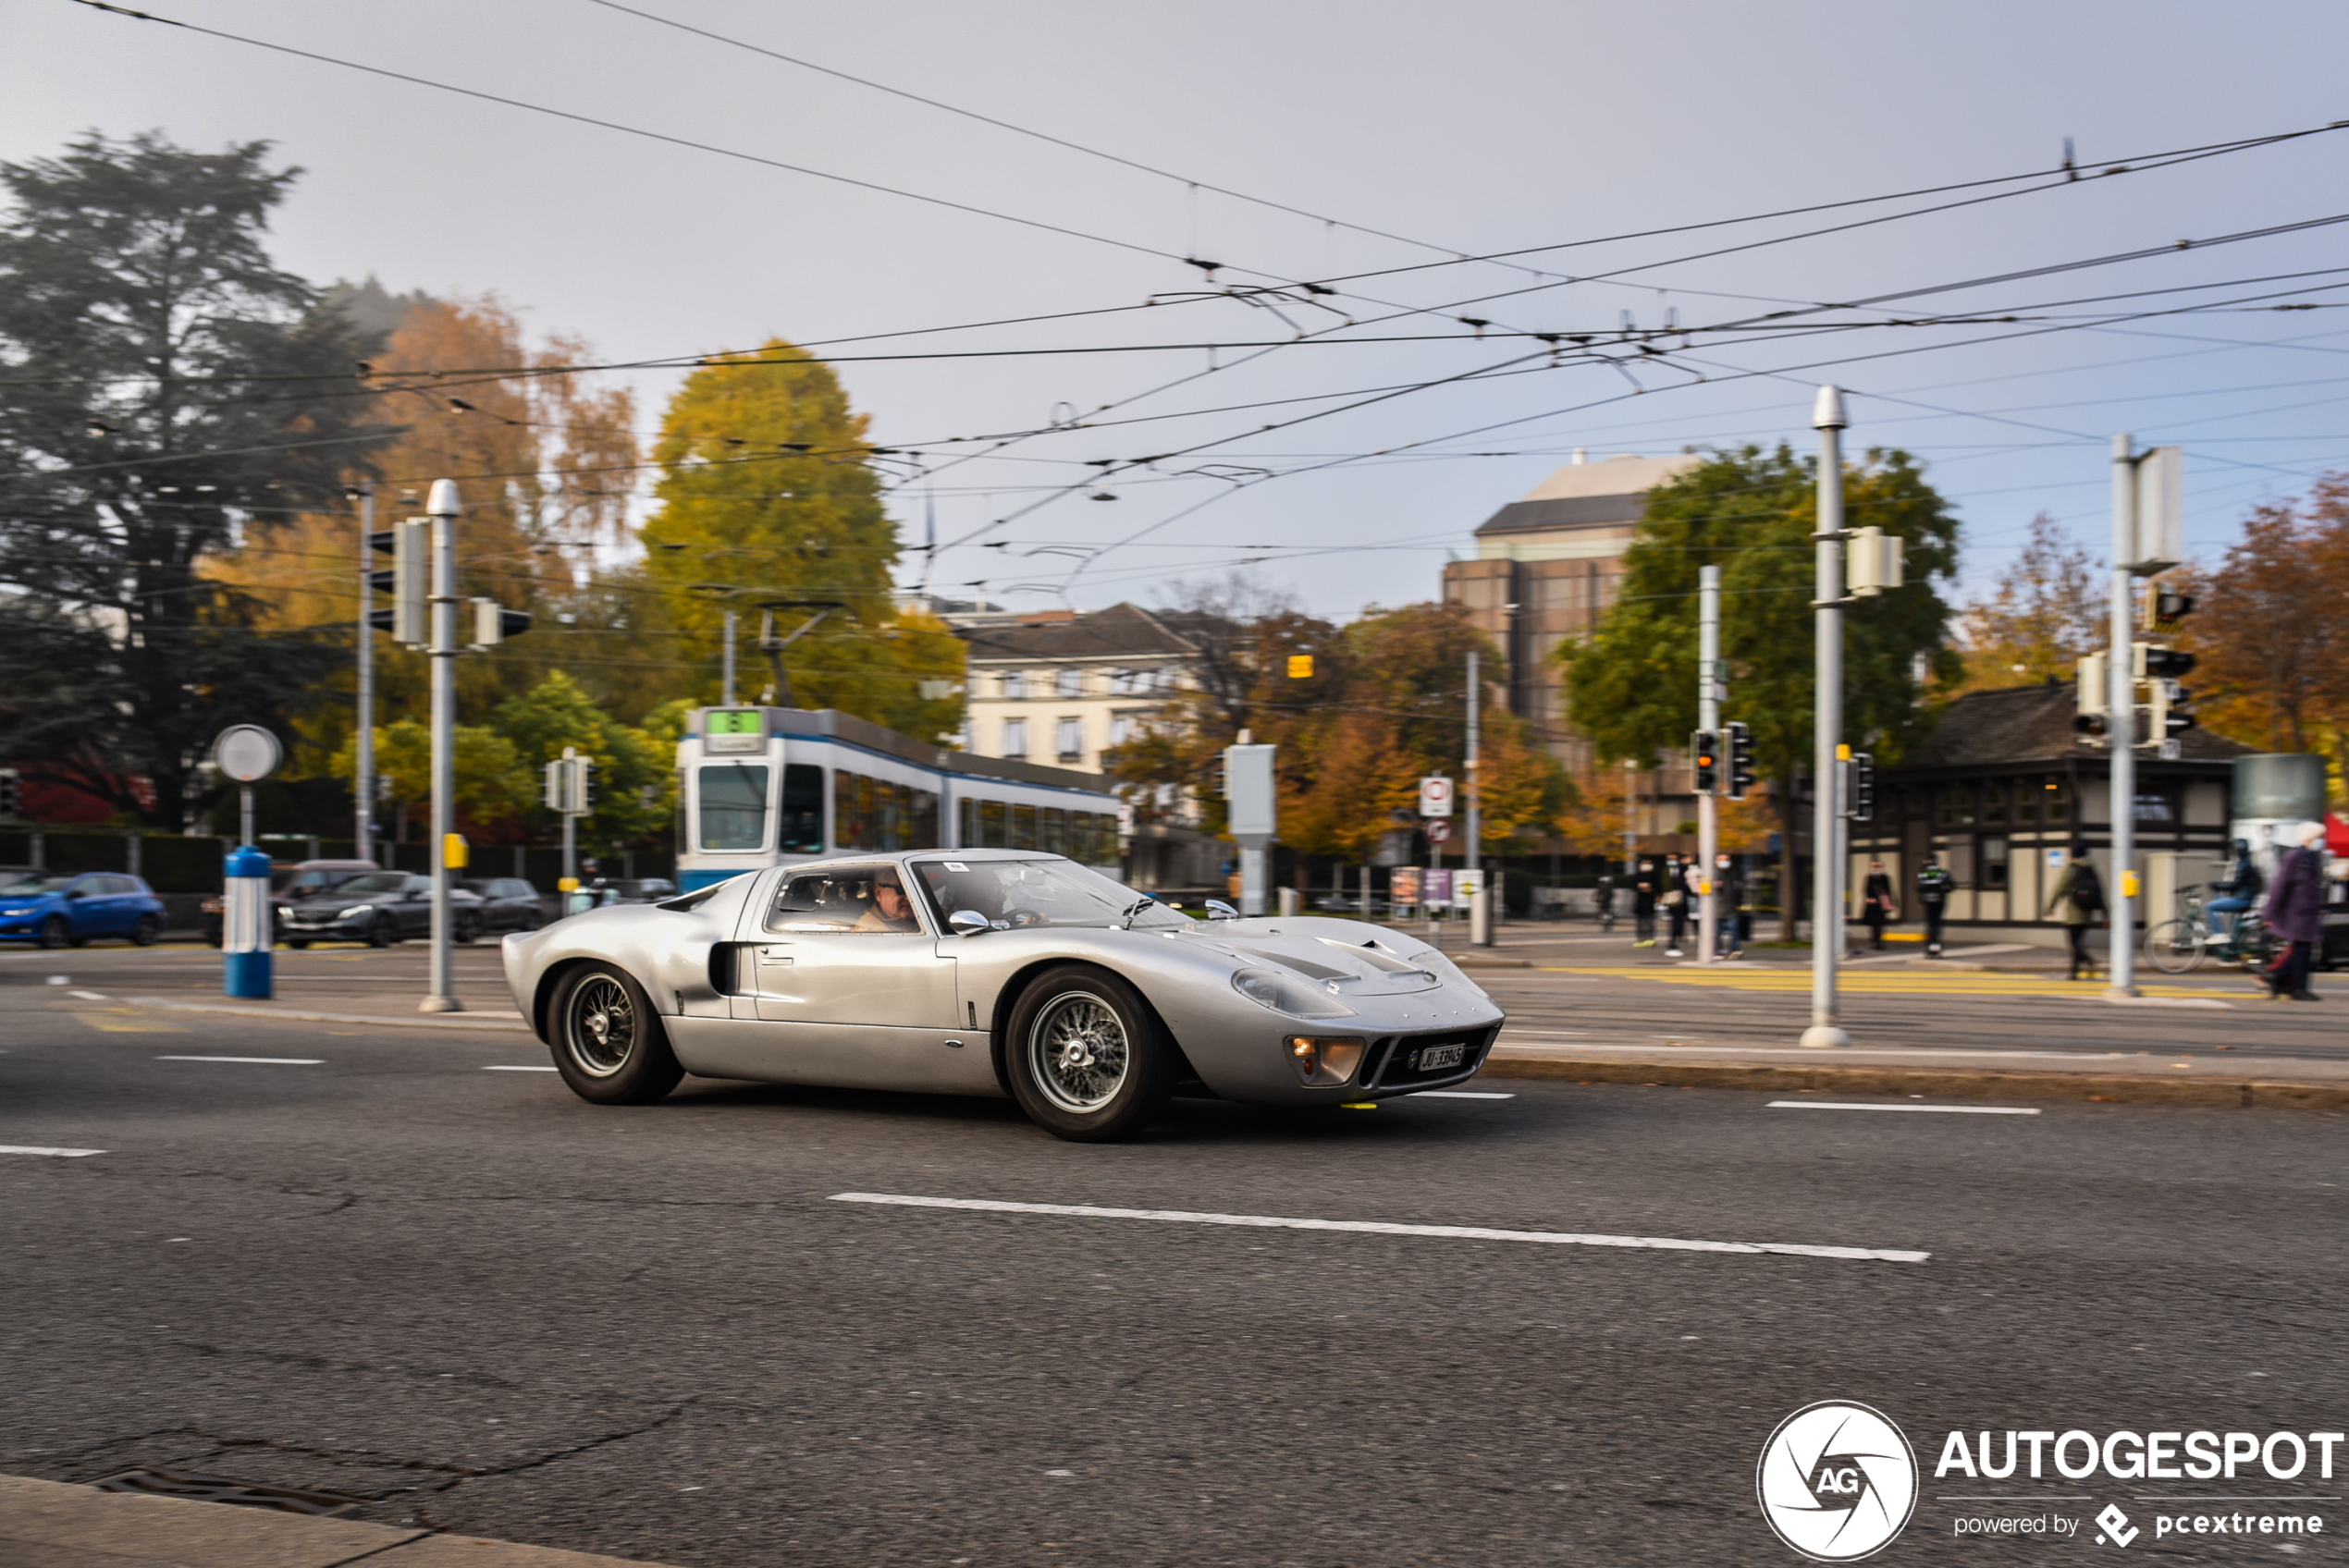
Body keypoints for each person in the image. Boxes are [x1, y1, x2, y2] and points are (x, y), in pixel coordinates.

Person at [2259, 823, 2326, 1002]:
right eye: (2319, 837)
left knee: (2301, 950)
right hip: (2295, 913)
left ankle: (2277, 977)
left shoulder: (2312, 858)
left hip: (2308, 913)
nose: (2322, 841)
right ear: (2308, 839)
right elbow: (2279, 886)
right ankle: (2297, 987)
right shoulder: (2294, 857)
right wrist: (2269, 913)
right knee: (2303, 950)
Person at [2044, 845, 2104, 982]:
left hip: (2073, 912)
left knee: (2074, 944)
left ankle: (2088, 961)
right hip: (2088, 912)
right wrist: (2105, 911)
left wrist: (2049, 908)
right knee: (2078, 943)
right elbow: (2101, 891)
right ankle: (2074, 973)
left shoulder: (2071, 869)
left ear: (2073, 856)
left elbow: (2058, 888)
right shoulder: (2091, 869)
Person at [2207, 838, 2262, 942]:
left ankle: (2218, 934)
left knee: (2209, 907)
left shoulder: (2243, 864)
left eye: (2234, 850)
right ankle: (2230, 941)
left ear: (2239, 850)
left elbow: (2234, 884)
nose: (2232, 852)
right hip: (2245, 897)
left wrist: (2216, 885)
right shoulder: (2246, 862)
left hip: (2242, 899)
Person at [854, 870, 921, 933]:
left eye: (915, 891)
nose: (909, 897)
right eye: (902, 890)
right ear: (879, 893)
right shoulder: (871, 933)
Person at [1915, 853, 1954, 957]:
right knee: (1937, 922)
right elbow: (1951, 886)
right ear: (1937, 861)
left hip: (1927, 901)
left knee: (1930, 923)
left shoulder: (1923, 873)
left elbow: (1919, 887)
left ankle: (1930, 947)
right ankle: (1937, 947)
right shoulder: (1943, 873)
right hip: (1940, 900)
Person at [1860, 859, 1899, 951]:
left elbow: (1888, 890)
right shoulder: (1869, 878)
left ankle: (1879, 942)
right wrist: (1870, 898)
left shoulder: (1885, 878)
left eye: (1878, 866)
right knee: (1872, 924)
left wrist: (1889, 903)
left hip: (1881, 904)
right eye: (1874, 866)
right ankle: (1874, 940)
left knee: (1879, 924)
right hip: (1872, 903)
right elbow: (1866, 890)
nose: (1876, 868)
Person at [1712, 851, 1744, 958]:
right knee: (1717, 932)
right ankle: (1718, 950)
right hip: (1716, 907)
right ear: (1716, 861)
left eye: (1727, 860)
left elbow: (1737, 888)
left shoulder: (1732, 873)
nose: (1725, 862)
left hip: (1731, 907)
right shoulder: (1712, 873)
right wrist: (1713, 885)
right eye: (1722, 859)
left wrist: (1739, 901)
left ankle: (1733, 950)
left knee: (1734, 930)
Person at [1663, 851, 1690, 956]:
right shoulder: (1665, 871)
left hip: (1682, 899)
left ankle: (1675, 938)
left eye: (1673, 858)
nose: (1671, 860)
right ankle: (1675, 938)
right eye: (1669, 858)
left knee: (1678, 920)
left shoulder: (1683, 869)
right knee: (1675, 921)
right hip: (1670, 899)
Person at [1631, 856, 1659, 949]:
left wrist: (1651, 889)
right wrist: (1641, 887)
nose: (1647, 866)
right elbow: (1633, 887)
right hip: (1640, 902)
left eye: (1649, 864)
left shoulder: (1654, 875)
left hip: (1650, 901)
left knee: (1649, 920)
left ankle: (1650, 938)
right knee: (1640, 921)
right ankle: (1641, 938)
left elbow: (1658, 887)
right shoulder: (1638, 875)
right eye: (1645, 864)